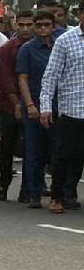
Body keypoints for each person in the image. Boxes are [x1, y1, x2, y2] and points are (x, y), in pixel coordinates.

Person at [39, 12, 84, 215]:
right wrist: (46, 105)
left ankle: (70, 194)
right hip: (72, 109)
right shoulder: (66, 40)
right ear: (80, 14)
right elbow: (51, 75)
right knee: (64, 155)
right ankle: (57, 196)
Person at [17, 11, 58, 209]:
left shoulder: (60, 46)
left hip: (58, 106)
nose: (43, 28)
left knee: (58, 151)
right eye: (39, 24)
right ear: (34, 26)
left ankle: (61, 194)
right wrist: (30, 105)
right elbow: (22, 79)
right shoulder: (27, 49)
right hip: (33, 107)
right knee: (34, 152)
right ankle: (34, 193)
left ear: (53, 26)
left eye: (47, 25)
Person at [0, 10, 36, 202]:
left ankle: (27, 189)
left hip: (34, 105)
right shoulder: (6, 49)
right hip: (10, 106)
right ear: (15, 25)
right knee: (7, 148)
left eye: (29, 25)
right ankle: (3, 185)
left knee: (32, 148)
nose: (25, 29)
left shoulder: (42, 47)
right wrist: (17, 104)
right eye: (22, 25)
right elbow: (5, 79)